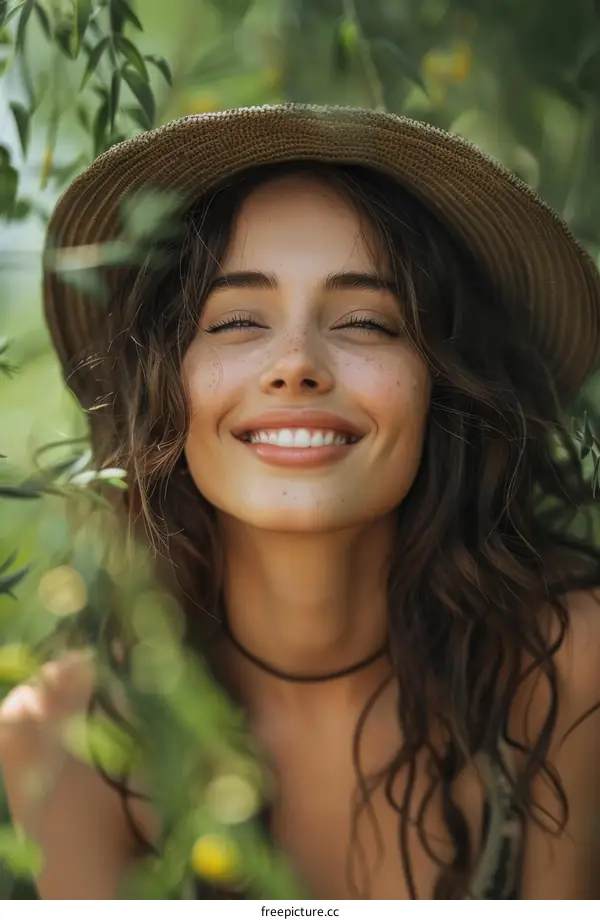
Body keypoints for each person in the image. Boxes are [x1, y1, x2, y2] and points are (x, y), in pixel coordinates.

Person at [2, 104, 600, 900]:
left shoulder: (568, 663)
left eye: (365, 322)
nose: (296, 365)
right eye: (236, 320)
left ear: (445, 388)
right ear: (163, 383)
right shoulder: (62, 738)